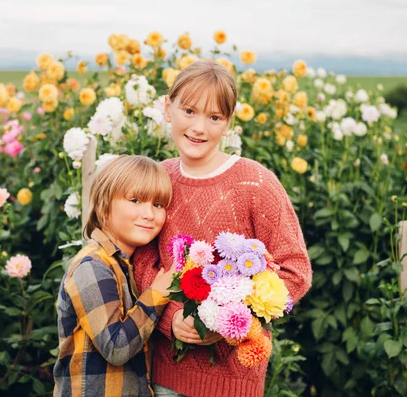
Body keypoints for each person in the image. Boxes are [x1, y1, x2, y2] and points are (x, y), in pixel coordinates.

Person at [133, 60, 313, 397]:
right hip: (165, 372)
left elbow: (295, 269)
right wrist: (170, 317)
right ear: (167, 108)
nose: (199, 127)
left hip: (233, 379)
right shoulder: (159, 180)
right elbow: (143, 263)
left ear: (228, 122)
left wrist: (230, 319)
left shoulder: (256, 183)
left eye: (214, 117)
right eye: (189, 110)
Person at [53, 155, 176, 397]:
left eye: (158, 205)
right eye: (135, 200)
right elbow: (116, 347)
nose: (149, 214)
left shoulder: (125, 266)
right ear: (103, 206)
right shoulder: (92, 266)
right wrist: (158, 294)